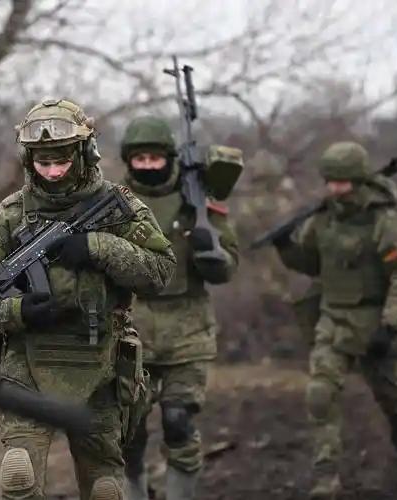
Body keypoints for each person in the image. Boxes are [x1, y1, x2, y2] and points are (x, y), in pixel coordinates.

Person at [0, 98, 176, 500]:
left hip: (100, 362)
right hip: (26, 362)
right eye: (43, 163)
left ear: (84, 153)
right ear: (29, 161)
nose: (54, 172)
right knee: (19, 477)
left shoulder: (119, 207)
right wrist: (18, 310)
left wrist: (99, 247)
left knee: (104, 488)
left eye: (61, 161)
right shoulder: (12, 213)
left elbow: (161, 271)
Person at [273, 142, 397, 500]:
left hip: (376, 323)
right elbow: (312, 264)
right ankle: (326, 476)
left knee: (395, 405)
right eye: (330, 182)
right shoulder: (322, 220)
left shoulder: (385, 223)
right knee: (320, 395)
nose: (335, 189)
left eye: (342, 182)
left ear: (358, 182)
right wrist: (286, 248)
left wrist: (390, 326)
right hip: (334, 320)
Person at [117, 115, 238, 499]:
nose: (147, 166)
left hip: (188, 331)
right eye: (140, 159)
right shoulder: (112, 204)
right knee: (128, 430)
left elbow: (227, 265)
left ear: (169, 158)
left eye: (154, 158)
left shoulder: (197, 199)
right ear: (129, 161)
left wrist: (211, 253)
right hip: (129, 332)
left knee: (179, 420)